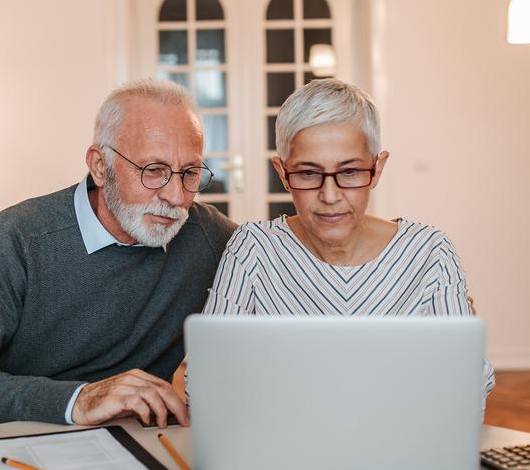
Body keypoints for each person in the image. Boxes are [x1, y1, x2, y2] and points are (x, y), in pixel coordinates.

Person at [0, 79, 236, 430]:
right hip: (12, 434)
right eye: (153, 171)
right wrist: (78, 399)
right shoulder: (21, 237)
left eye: (189, 173)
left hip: (131, 442)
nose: (174, 195)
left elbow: (279, 250)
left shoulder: (208, 235)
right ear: (99, 165)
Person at [202, 78, 495, 414]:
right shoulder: (252, 249)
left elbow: (467, 391)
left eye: (351, 172)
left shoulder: (430, 253)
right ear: (283, 173)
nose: (330, 196)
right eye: (309, 174)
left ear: (378, 168)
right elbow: (208, 382)